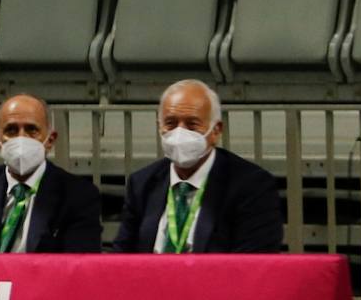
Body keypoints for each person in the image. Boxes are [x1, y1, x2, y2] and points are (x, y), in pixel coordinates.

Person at [113, 79, 283, 254]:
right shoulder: (142, 183)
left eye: (192, 124)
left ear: (216, 130)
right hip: (150, 280)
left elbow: (253, 263)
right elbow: (120, 256)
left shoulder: (251, 187)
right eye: (170, 123)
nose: (180, 132)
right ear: (159, 127)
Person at [0, 95, 101, 253]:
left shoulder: (78, 195)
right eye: (11, 130)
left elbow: (77, 266)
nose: (21, 138)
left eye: (31, 130)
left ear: (50, 140)